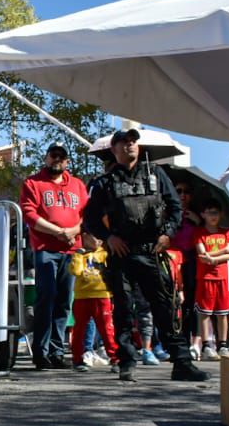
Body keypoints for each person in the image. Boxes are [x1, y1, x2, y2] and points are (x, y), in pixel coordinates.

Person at [81, 129, 207, 382]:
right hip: (121, 253)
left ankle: (181, 361)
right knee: (124, 309)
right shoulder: (105, 182)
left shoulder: (157, 174)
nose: (130, 145)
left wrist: (167, 234)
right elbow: (90, 219)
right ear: (113, 150)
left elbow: (174, 208)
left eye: (133, 141)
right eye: (124, 143)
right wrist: (109, 238)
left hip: (151, 251)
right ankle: (127, 361)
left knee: (165, 308)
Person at [19, 144, 88, 369]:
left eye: (61, 157)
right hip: (46, 250)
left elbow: (87, 215)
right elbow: (29, 214)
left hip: (71, 249)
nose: (57, 159)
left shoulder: (77, 185)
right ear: (46, 158)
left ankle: (58, 352)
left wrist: (73, 232)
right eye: (53, 156)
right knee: (45, 297)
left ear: (67, 161)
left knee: (63, 301)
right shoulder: (33, 183)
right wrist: (59, 232)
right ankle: (41, 351)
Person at [68, 234, 119, 372]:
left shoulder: (105, 254)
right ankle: (77, 359)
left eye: (99, 237)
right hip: (82, 297)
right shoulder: (79, 255)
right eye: (93, 237)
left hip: (102, 295)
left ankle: (115, 359)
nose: (97, 240)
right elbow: (76, 271)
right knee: (79, 329)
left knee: (107, 329)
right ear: (85, 237)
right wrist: (78, 256)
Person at [193, 202, 229, 359]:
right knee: (205, 313)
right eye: (210, 212)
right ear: (203, 214)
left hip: (222, 278)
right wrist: (221, 253)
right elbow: (203, 256)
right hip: (205, 278)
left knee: (222, 313)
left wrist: (214, 257)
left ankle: (223, 345)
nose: (213, 216)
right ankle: (206, 346)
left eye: (216, 212)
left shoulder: (226, 232)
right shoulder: (199, 233)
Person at [170, 182, 202, 356]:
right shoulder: (169, 210)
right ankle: (177, 340)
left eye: (187, 192)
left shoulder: (198, 215)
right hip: (172, 262)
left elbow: (206, 237)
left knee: (192, 303)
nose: (183, 195)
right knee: (175, 303)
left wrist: (198, 221)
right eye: (179, 191)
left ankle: (195, 342)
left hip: (192, 262)